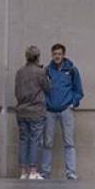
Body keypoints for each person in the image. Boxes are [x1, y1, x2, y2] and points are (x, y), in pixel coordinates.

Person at [40, 43, 84, 180]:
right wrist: (45, 103)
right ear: (52, 55)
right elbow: (41, 89)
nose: (57, 56)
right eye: (55, 54)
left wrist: (73, 103)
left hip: (66, 110)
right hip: (50, 111)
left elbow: (79, 90)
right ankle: (45, 172)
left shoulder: (71, 70)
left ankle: (71, 172)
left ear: (63, 55)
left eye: (59, 54)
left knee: (69, 142)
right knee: (47, 142)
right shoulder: (47, 71)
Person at [15, 45, 50, 180]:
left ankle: (23, 171)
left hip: (22, 111)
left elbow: (16, 92)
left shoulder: (19, 72)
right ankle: (33, 170)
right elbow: (48, 88)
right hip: (36, 111)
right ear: (37, 57)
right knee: (35, 141)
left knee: (23, 140)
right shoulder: (40, 72)